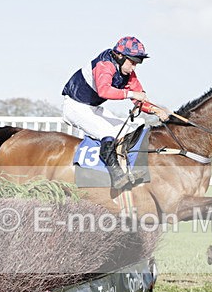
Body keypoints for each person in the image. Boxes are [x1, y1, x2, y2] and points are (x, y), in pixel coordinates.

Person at [62, 36, 170, 190]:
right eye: (132, 62)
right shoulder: (105, 65)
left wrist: (157, 110)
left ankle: (134, 168)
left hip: (92, 107)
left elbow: (140, 98)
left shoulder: (128, 74)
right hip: (75, 106)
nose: (134, 67)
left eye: (137, 63)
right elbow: (104, 90)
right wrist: (131, 94)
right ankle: (117, 175)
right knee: (108, 131)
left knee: (136, 125)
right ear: (120, 56)